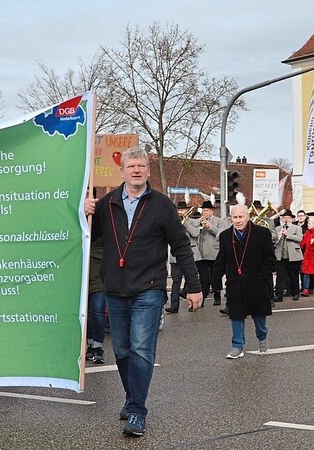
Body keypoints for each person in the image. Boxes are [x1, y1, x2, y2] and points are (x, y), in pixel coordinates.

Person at [85, 147, 202, 437]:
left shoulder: (162, 205)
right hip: (115, 287)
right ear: (122, 171)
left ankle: (137, 409)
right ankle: (131, 395)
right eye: (131, 166)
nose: (136, 170)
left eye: (141, 166)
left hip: (149, 288)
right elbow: (87, 236)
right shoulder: (107, 204)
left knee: (141, 349)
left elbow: (181, 247)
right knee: (122, 350)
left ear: (148, 171)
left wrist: (194, 286)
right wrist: (82, 212)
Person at [213, 204, 276, 359]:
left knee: (259, 314)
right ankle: (237, 346)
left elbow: (270, 259)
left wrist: (261, 277)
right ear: (230, 218)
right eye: (235, 217)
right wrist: (215, 281)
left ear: (248, 217)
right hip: (235, 282)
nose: (238, 220)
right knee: (236, 315)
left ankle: (262, 337)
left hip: (257, 281)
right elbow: (221, 260)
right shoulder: (225, 236)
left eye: (241, 217)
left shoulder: (262, 233)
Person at [166, 202, 200, 313]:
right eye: (179, 210)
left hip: (188, 257)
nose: (180, 212)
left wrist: (185, 222)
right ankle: (174, 306)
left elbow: (195, 233)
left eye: (183, 210)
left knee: (189, 281)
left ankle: (192, 304)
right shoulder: (172, 222)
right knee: (176, 282)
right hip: (175, 258)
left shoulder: (194, 222)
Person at [196, 201, 226, 306]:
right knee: (203, 278)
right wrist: (197, 224)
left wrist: (210, 226)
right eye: (203, 211)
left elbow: (221, 234)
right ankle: (202, 299)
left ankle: (217, 296)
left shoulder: (219, 221)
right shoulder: (199, 220)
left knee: (215, 276)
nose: (204, 213)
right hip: (202, 253)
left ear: (211, 211)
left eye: (207, 211)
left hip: (214, 252)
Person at [273, 210, 303, 301]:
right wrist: (278, 235)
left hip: (293, 256)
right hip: (281, 256)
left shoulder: (297, 228)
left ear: (291, 219)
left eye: (288, 218)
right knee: (280, 276)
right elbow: (273, 239)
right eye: (285, 217)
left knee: (293, 275)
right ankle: (279, 295)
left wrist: (288, 234)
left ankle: (296, 293)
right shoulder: (278, 228)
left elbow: (299, 238)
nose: (286, 219)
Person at [86, 238, 107, 364]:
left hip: (99, 276)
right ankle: (90, 344)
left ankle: (98, 346)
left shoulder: (102, 222)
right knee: (87, 313)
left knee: (97, 310)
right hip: (84, 274)